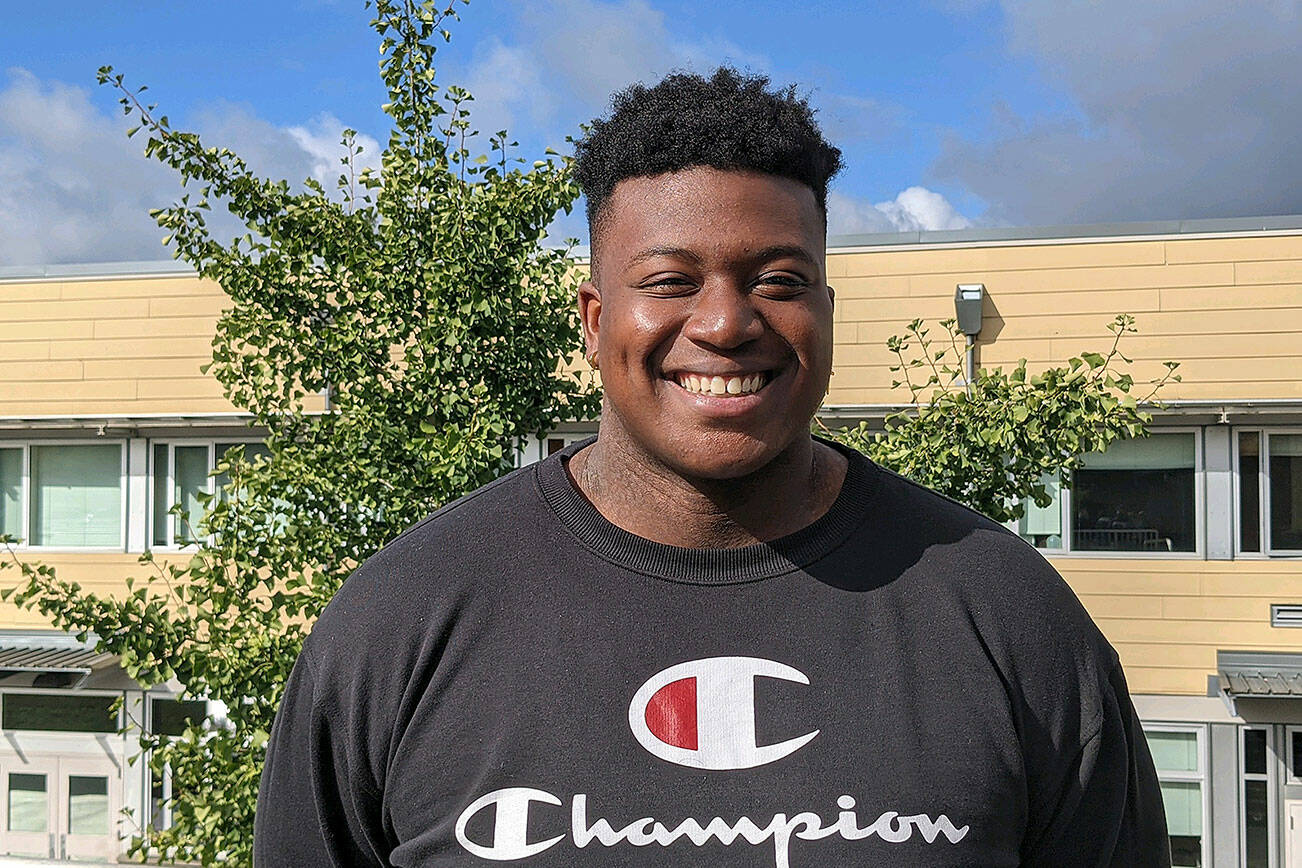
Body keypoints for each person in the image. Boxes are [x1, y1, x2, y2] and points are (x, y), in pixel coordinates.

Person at [254, 68, 1170, 867]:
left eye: (779, 280)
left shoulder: (1007, 612)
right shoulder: (403, 620)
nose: (727, 323)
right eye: (670, 281)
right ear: (594, 321)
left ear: (827, 311)